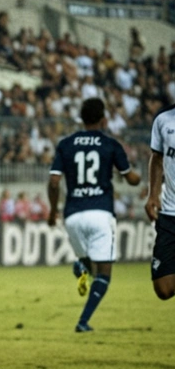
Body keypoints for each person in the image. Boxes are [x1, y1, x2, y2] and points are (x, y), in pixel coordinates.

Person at [47, 97, 141, 332]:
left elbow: (54, 181)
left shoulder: (66, 144)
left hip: (73, 216)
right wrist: (135, 175)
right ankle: (83, 322)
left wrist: (52, 210)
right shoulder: (110, 144)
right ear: (103, 119)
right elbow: (131, 179)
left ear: (82, 118)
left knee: (89, 263)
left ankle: (81, 267)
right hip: (100, 213)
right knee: (104, 274)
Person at [145, 101, 175, 301]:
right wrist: (153, 194)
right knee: (163, 289)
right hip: (170, 212)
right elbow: (156, 158)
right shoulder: (163, 120)